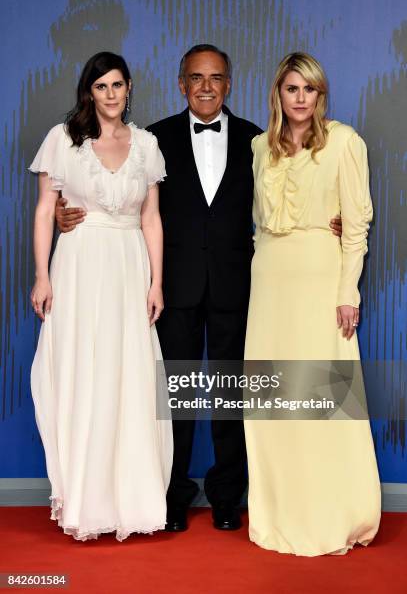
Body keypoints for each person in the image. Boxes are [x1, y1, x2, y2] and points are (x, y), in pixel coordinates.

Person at [55, 45, 342, 533]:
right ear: (180, 84)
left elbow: (290, 193)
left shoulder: (259, 139)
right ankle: (172, 495)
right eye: (195, 77)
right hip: (172, 285)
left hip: (240, 284)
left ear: (229, 84)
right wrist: (66, 215)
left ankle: (229, 495)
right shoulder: (152, 140)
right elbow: (117, 193)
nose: (206, 87)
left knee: (232, 395)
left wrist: (328, 222)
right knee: (175, 397)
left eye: (216, 78)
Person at [29, 51, 173, 541]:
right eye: (101, 87)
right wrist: (42, 277)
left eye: (117, 85)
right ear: (88, 93)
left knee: (128, 373)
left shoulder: (148, 145)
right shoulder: (62, 140)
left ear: (129, 87)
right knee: (84, 370)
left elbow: (152, 218)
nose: (110, 95)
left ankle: (131, 499)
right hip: (80, 264)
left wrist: (156, 282)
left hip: (129, 264)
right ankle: (85, 499)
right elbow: (45, 209)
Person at [244, 52, 381, 556]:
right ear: (278, 93)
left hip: (321, 281)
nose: (300, 99)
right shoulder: (259, 147)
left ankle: (333, 511)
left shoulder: (344, 142)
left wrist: (348, 292)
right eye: (291, 89)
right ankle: (279, 511)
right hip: (269, 281)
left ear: (322, 96)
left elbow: (357, 227)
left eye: (310, 91)